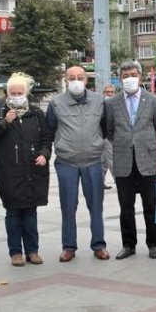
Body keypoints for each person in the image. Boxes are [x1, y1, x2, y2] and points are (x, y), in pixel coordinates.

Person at [0, 73, 51, 267]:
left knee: (30, 213)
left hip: (32, 171)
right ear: (7, 94)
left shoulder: (36, 113)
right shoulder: (0, 112)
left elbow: (47, 138)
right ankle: (15, 252)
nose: (16, 96)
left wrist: (44, 153)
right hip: (9, 172)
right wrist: (5, 122)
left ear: (26, 93)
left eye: (20, 92)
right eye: (12, 93)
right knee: (13, 213)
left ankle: (32, 251)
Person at [46, 66, 109, 262]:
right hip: (67, 162)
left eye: (79, 77)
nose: (76, 80)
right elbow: (50, 130)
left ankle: (99, 245)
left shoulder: (99, 102)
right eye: (71, 77)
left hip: (93, 162)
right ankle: (69, 247)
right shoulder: (56, 103)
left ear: (86, 80)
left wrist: (95, 145)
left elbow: (105, 129)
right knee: (68, 206)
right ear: (65, 80)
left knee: (96, 206)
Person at [105, 60, 156, 260]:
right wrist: (126, 144)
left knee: (150, 206)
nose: (129, 78)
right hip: (123, 161)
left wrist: (142, 144)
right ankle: (128, 245)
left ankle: (153, 244)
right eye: (125, 76)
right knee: (126, 207)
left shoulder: (154, 101)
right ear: (120, 79)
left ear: (140, 77)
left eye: (133, 75)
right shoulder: (111, 103)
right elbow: (110, 131)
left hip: (146, 159)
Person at [101, 84, 117, 190]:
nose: (109, 94)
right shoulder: (101, 104)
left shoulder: (117, 104)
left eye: (111, 92)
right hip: (105, 135)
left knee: (103, 160)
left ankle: (100, 182)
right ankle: (120, 180)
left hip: (114, 135)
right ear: (104, 93)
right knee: (111, 159)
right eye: (107, 91)